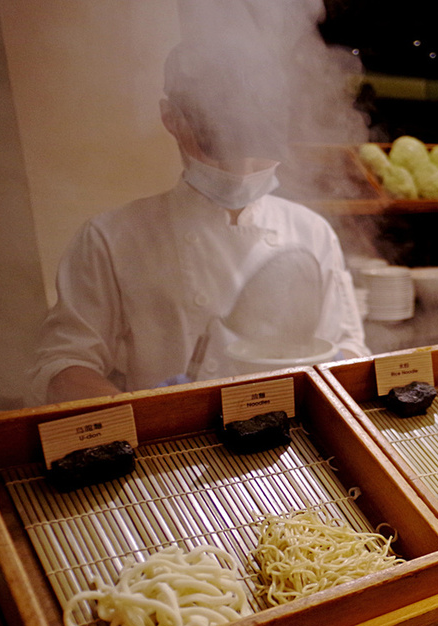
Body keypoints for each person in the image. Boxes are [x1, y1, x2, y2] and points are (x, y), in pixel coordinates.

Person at [28, 39, 369, 405]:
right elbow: (63, 364)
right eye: (218, 144)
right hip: (174, 449)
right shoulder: (111, 238)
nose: (240, 170)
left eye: (256, 146)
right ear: (170, 118)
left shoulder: (312, 230)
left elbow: (349, 348)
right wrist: (144, 412)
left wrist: (337, 368)